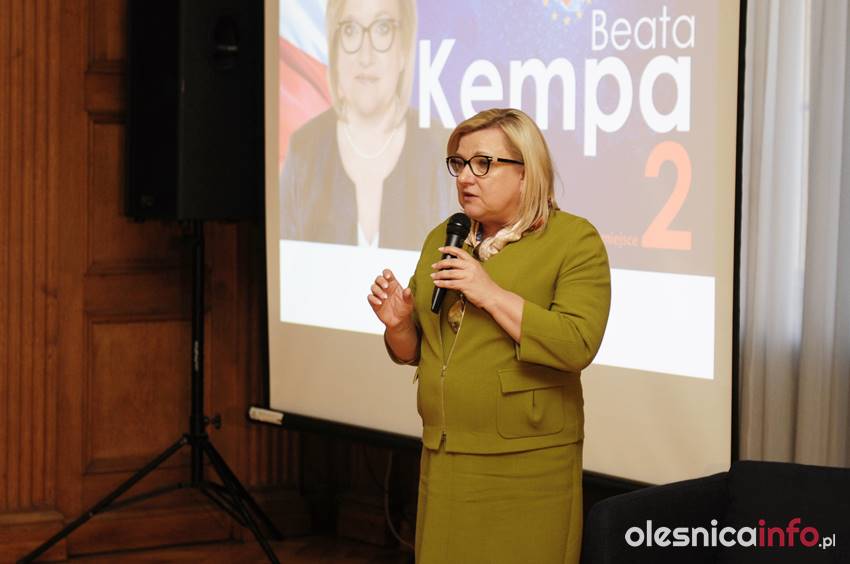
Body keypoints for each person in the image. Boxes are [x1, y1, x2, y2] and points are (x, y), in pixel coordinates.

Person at [368, 108, 611, 563]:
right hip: (445, 453)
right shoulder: (445, 236)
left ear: (526, 172)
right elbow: (416, 352)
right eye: (459, 164)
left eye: (483, 163)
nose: (465, 177)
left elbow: (577, 342)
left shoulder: (574, 240)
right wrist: (398, 324)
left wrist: (490, 293)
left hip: (527, 463)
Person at [280, 0, 454, 250]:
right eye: (350, 29)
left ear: (404, 49)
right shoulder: (304, 149)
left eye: (382, 28)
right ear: (335, 48)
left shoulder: (441, 150)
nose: (365, 56)